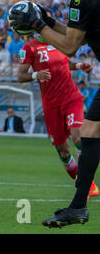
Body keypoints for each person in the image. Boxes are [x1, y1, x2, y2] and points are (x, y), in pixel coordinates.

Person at [8, 0, 100, 227]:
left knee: (89, 133)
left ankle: (78, 206)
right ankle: (78, 207)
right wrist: (49, 21)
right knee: (90, 132)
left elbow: (70, 47)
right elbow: (80, 37)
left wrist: (39, 26)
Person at [18, 34, 98, 196]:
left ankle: (85, 181)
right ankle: (87, 184)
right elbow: (20, 76)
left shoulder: (60, 42)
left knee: (78, 138)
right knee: (63, 152)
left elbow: (63, 63)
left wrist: (78, 65)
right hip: (51, 106)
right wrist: (35, 75)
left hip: (71, 97)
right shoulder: (30, 47)